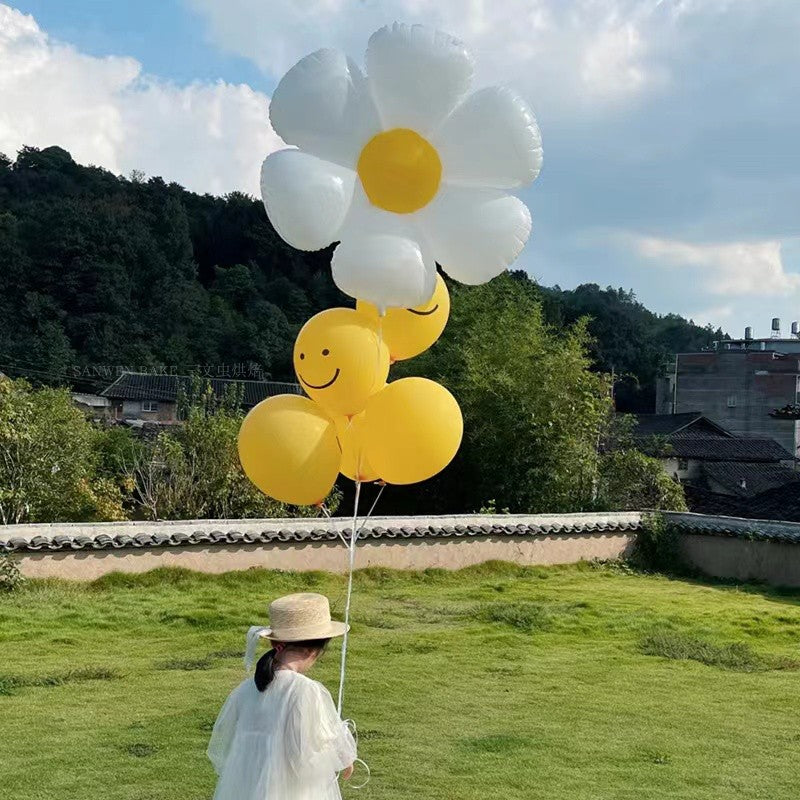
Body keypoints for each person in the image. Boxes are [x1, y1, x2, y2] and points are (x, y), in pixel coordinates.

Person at [207, 593, 356, 800]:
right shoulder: (305, 690)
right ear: (313, 651)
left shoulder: (246, 690)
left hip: (246, 790)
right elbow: (311, 748)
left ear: (274, 644)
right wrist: (345, 756)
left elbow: (228, 746)